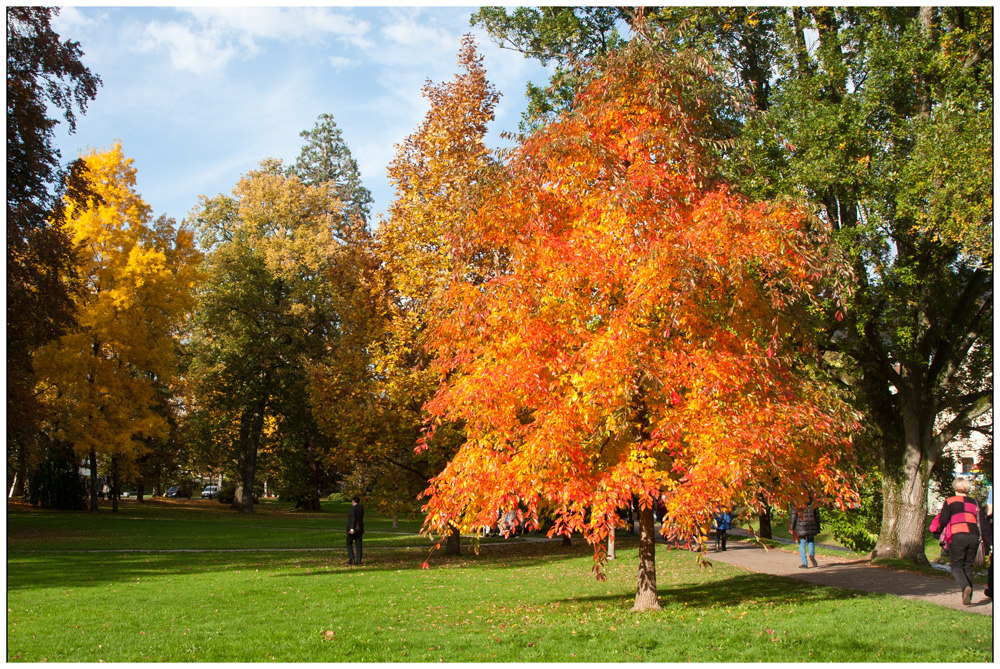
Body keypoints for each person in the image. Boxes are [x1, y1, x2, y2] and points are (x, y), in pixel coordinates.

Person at [931, 477, 981, 606]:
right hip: (973, 535)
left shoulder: (950, 501)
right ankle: (968, 597)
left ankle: (965, 587)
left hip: (958, 534)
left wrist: (936, 532)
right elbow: (982, 522)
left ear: (955, 487)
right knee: (968, 566)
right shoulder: (974, 502)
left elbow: (943, 520)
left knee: (956, 565)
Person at [789, 500, 821, 568]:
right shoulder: (813, 501)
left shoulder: (796, 501)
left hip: (801, 526)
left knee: (801, 543)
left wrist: (791, 528)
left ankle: (804, 563)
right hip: (811, 525)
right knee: (811, 540)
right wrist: (818, 526)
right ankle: (811, 555)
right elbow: (817, 515)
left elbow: (793, 516)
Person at [346, 496, 365, 565]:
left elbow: (353, 518)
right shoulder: (361, 508)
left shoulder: (353, 508)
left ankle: (352, 558)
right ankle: (359, 560)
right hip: (360, 528)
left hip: (353, 529)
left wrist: (351, 528)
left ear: (353, 501)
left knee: (348, 543)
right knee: (358, 545)